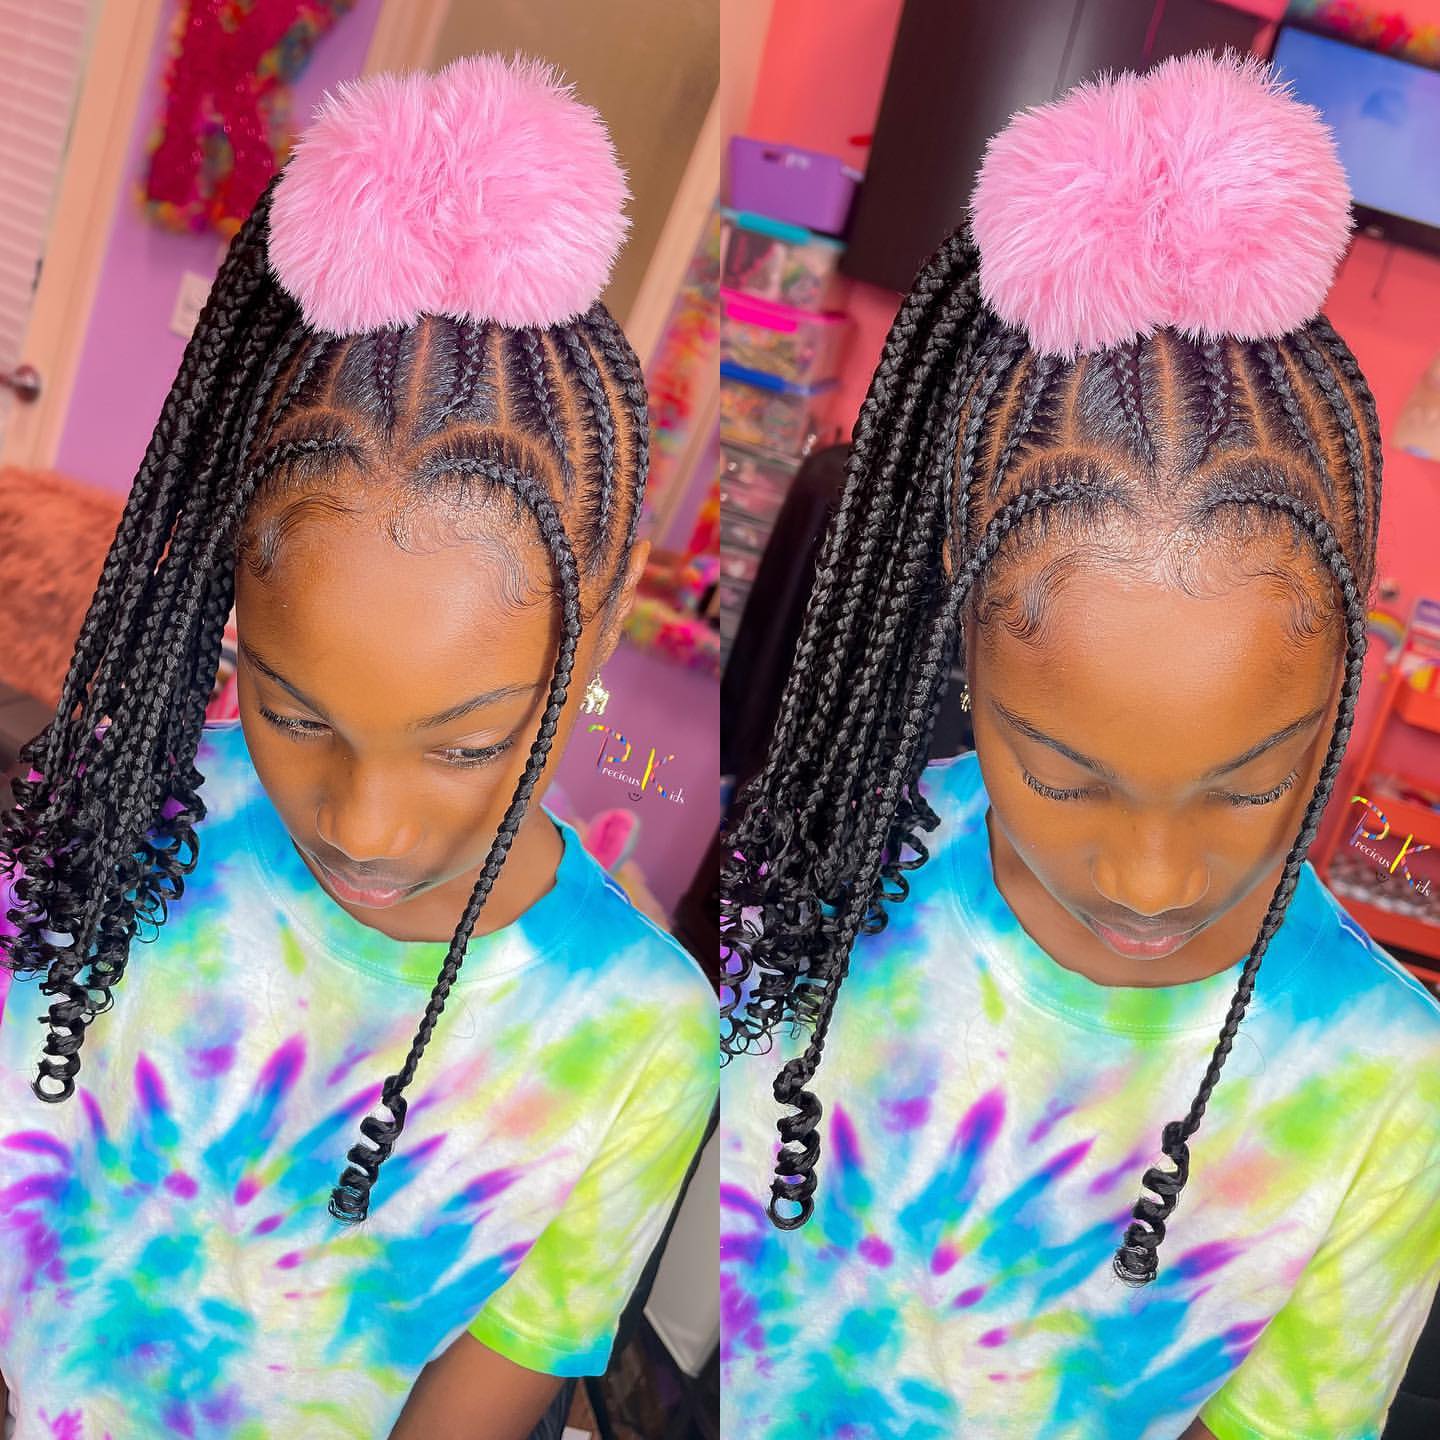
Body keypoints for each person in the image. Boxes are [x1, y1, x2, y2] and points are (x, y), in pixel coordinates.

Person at [719, 50, 1440, 1439]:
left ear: (1346, 679)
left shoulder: (1386, 1082)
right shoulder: (819, 875)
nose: (1153, 884)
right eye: (1063, 776)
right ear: (963, 644)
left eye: (1249, 783)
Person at [0, 54, 716, 1440]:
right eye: (293, 714)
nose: (365, 827)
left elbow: (471, 1409)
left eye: (465, 744)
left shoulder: (637, 1036)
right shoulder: (109, 827)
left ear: (606, 620)